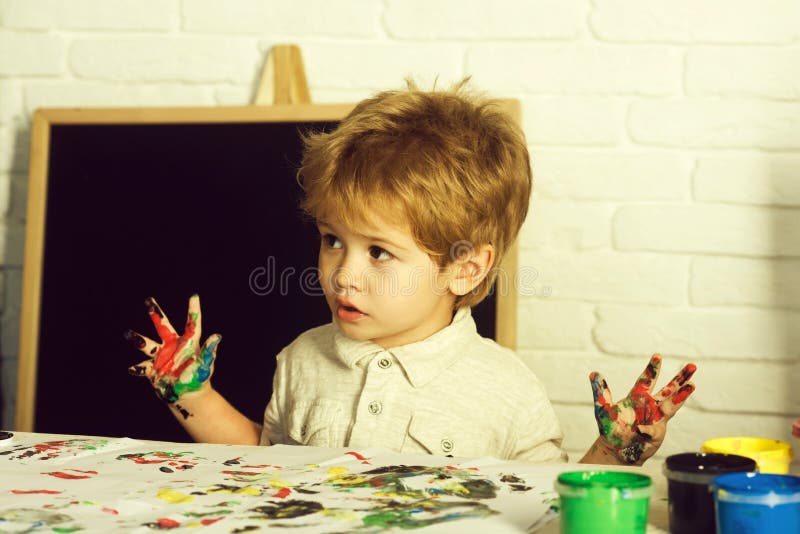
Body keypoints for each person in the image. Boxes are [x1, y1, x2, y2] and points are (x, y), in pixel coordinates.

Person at [125, 80, 696, 465]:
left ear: (464, 269)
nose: (343, 275)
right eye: (331, 240)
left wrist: (613, 451)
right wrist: (191, 394)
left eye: (379, 252)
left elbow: (547, 508)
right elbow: (261, 463)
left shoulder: (505, 388)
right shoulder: (301, 359)